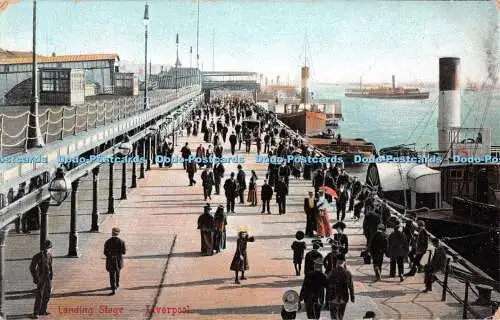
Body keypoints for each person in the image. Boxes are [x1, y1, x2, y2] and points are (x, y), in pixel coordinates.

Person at [30, 240, 54, 319]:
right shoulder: (37, 256)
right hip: (41, 278)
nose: (48, 249)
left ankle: (43, 310)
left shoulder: (50, 255)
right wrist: (35, 278)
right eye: (47, 248)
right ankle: (35, 312)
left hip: (48, 278)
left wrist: (51, 275)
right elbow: (32, 268)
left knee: (47, 294)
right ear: (44, 248)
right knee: (39, 295)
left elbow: (50, 265)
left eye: (49, 248)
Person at [327, 256, 355, 320]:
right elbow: (351, 286)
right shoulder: (348, 273)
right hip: (343, 298)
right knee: (340, 315)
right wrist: (352, 297)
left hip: (333, 297)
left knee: (334, 316)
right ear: (344, 263)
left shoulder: (332, 272)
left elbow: (327, 285)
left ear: (337, 263)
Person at [103, 228, 126, 295]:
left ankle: (113, 288)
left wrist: (110, 255)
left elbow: (105, 252)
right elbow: (124, 252)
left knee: (111, 274)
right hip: (118, 260)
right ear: (118, 233)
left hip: (110, 260)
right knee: (118, 272)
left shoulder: (107, 241)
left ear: (112, 233)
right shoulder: (122, 242)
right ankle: (117, 285)